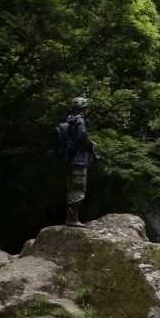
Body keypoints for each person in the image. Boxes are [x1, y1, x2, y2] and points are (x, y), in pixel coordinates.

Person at [65, 97, 97, 227]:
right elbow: (82, 137)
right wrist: (92, 144)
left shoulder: (69, 120)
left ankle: (71, 218)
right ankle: (72, 219)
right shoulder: (79, 121)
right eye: (86, 108)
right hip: (79, 160)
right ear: (83, 109)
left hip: (70, 159)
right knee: (78, 188)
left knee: (71, 187)